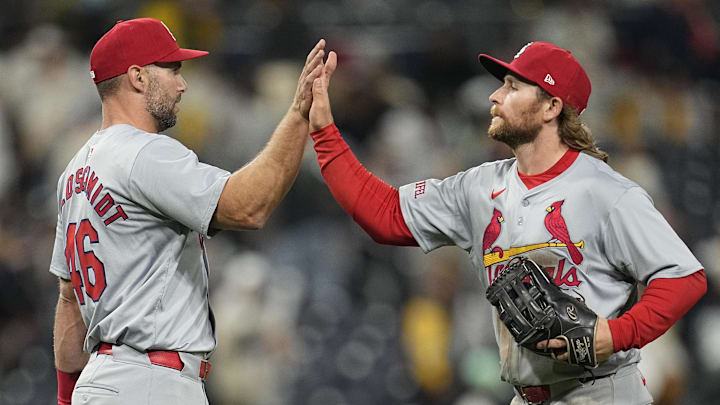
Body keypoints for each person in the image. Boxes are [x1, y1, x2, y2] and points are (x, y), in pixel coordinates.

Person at [307, 42, 707, 404]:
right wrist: (325, 131)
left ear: (551, 107)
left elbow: (684, 277)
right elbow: (387, 216)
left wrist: (616, 334)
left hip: (601, 392)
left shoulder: (606, 192)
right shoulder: (479, 187)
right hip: (524, 396)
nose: (495, 96)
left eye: (514, 87)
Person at [51, 18, 326, 405]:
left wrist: (67, 397)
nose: (182, 85)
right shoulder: (143, 152)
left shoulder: (74, 171)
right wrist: (298, 115)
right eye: (173, 70)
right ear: (137, 77)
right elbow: (249, 208)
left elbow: (69, 301)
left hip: (101, 382)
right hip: (150, 383)